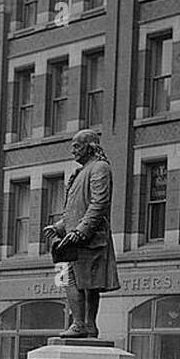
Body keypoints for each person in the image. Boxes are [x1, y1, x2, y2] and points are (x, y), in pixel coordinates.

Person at [43, 128, 120, 338]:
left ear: (90, 146)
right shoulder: (80, 172)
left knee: (87, 285)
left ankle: (84, 324)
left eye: (76, 146)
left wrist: (81, 231)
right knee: (72, 281)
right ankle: (81, 324)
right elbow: (74, 210)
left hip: (89, 240)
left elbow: (99, 204)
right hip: (73, 239)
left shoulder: (100, 168)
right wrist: (59, 227)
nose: (72, 150)